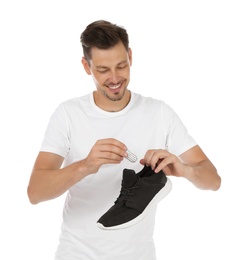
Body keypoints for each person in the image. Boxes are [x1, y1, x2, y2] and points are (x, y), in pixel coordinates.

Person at [27, 20, 221, 260]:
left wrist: (184, 170)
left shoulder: (159, 113)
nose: (115, 78)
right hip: (76, 254)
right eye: (103, 69)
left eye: (121, 65)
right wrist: (86, 165)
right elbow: (35, 192)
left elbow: (213, 181)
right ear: (86, 67)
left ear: (130, 56)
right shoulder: (68, 114)